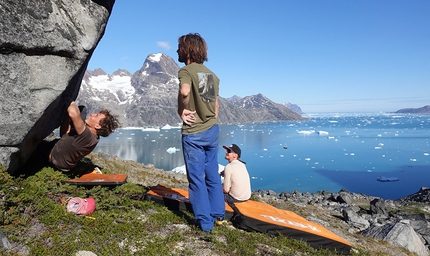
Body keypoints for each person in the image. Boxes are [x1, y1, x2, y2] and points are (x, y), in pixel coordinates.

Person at [176, 33, 224, 232]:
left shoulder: (186, 70)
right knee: (212, 173)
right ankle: (218, 214)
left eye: (179, 47)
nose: (177, 50)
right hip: (212, 130)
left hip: (194, 132)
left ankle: (205, 223)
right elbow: (215, 105)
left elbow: (185, 92)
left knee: (196, 178)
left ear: (187, 50)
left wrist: (182, 110)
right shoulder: (209, 74)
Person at [47, 101, 120, 172]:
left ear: (97, 126)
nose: (92, 114)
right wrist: (67, 117)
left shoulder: (87, 136)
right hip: (63, 163)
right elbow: (64, 135)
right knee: (82, 110)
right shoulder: (93, 137)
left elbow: (73, 113)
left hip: (54, 160)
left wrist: (70, 100)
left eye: (96, 116)